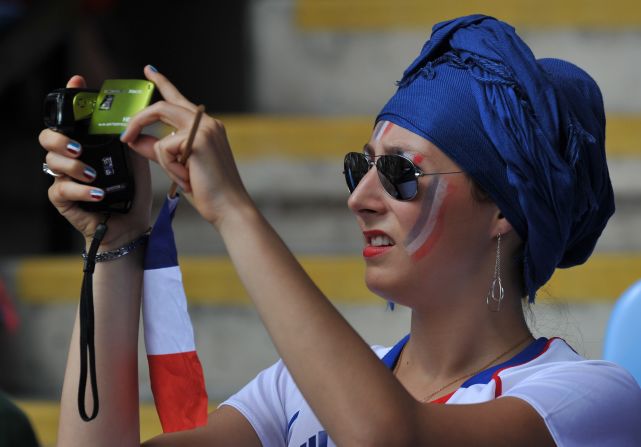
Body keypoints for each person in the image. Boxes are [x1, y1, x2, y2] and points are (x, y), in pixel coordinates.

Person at [39, 14, 641, 447]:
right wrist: (117, 242)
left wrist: (236, 211)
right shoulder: (295, 390)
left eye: (400, 172)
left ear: (504, 209)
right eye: (361, 166)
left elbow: (389, 438)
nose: (359, 197)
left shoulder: (589, 399)